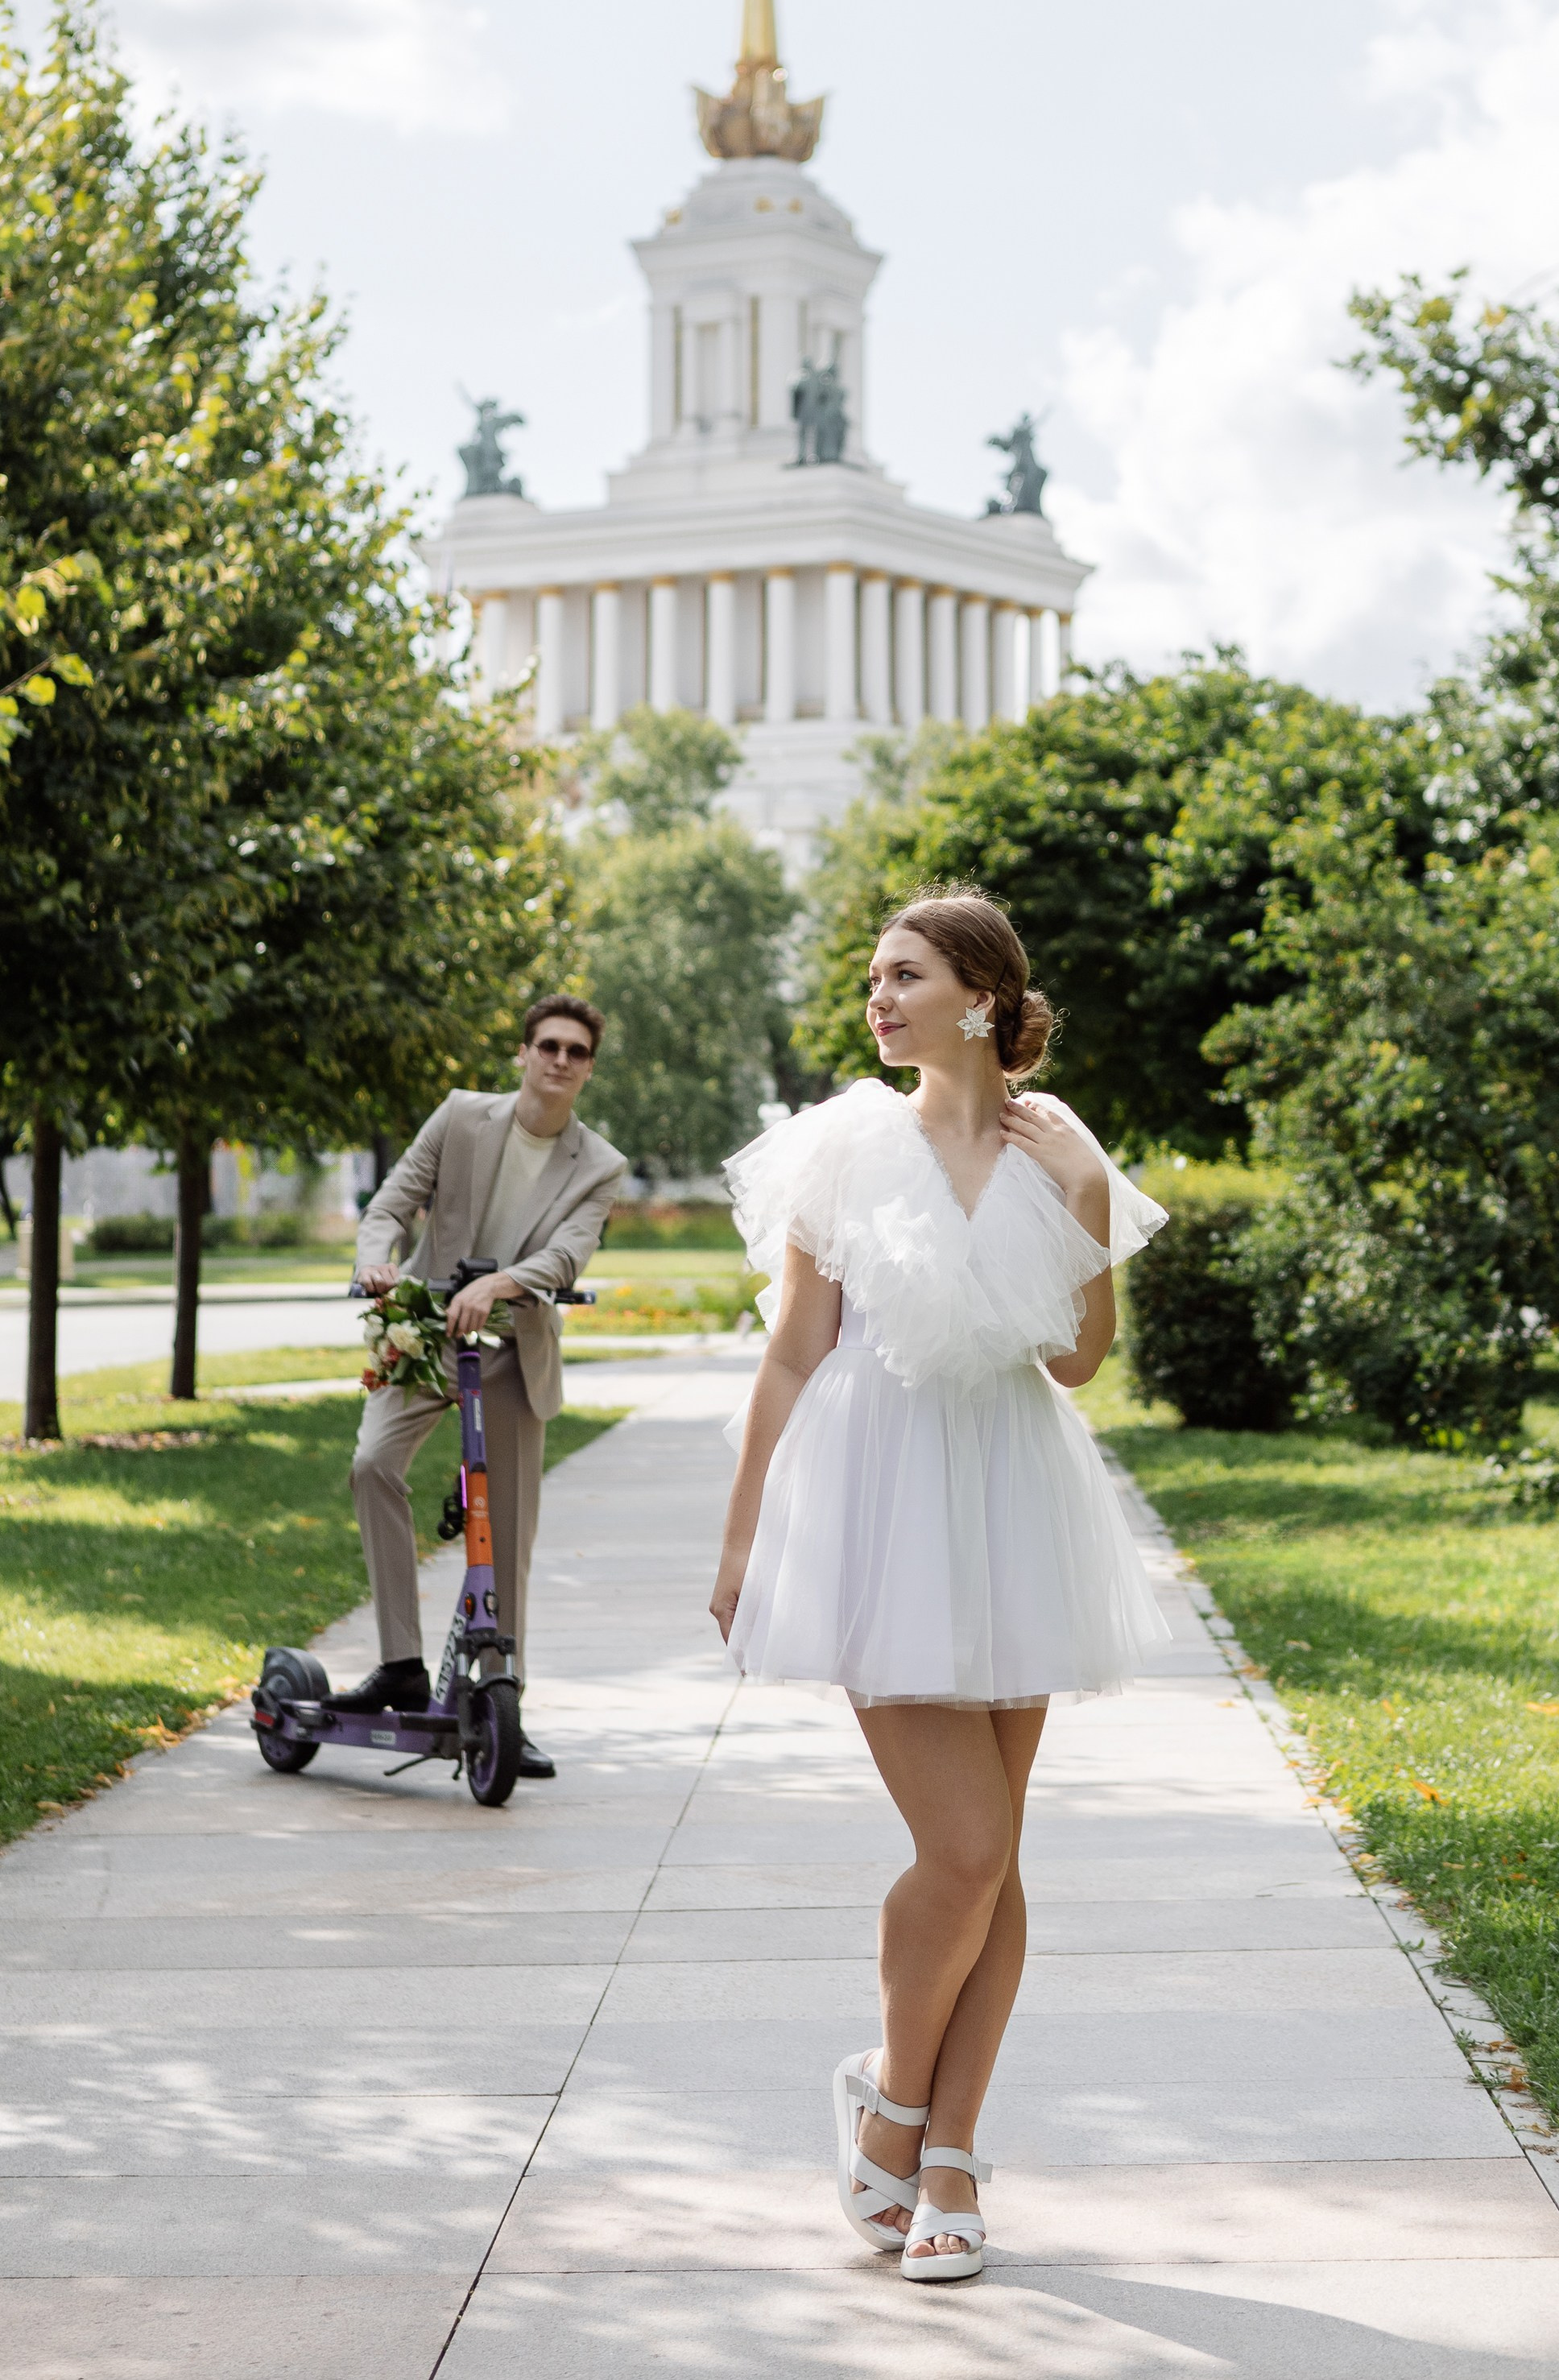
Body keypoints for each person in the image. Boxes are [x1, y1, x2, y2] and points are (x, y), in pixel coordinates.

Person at [709, 892, 1169, 2283]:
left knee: (999, 1859)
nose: (876, 995)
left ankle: (952, 2154)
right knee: (961, 1848)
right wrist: (742, 1540)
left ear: (978, 996)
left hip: (1013, 1501)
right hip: (876, 1505)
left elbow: (1080, 1363)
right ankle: (896, 2101)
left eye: (901, 974)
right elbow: (793, 1352)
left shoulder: (1058, 1151)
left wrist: (1086, 1202)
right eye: (872, 976)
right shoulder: (843, 1146)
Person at [341, 995, 624, 1778]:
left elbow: (565, 1257)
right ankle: (399, 1660)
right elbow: (391, 1202)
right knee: (372, 1464)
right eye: (548, 1046)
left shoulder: (598, 1163)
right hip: (428, 1331)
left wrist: (501, 1283)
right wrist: (377, 1258)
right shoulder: (461, 1117)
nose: (559, 1060)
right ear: (524, 1053)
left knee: (505, 1534)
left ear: (587, 1068)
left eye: (575, 1051)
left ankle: (503, 1694)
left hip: (510, 1350)